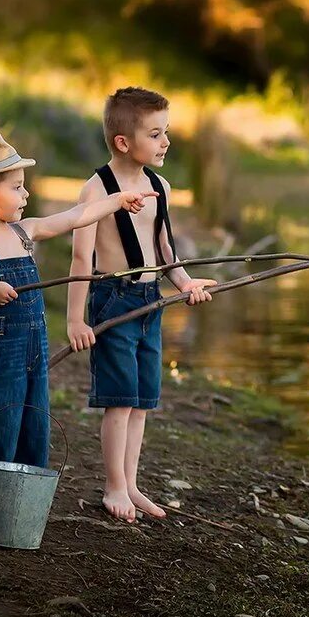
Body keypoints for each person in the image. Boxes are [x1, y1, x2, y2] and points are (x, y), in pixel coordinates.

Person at [0, 131, 157, 515]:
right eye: (18, 188)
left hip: (33, 344)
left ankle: (23, 492)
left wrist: (117, 201)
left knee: (34, 417)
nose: (26, 196)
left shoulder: (24, 233)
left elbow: (75, 217)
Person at [66, 88, 216, 522]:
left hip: (151, 302)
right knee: (119, 399)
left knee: (142, 401)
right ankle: (114, 486)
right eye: (156, 133)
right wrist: (76, 318)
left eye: (166, 131)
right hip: (114, 302)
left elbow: (165, 247)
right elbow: (81, 258)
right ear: (123, 142)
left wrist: (185, 283)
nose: (166, 141)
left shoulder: (159, 185)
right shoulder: (96, 189)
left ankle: (131, 483)